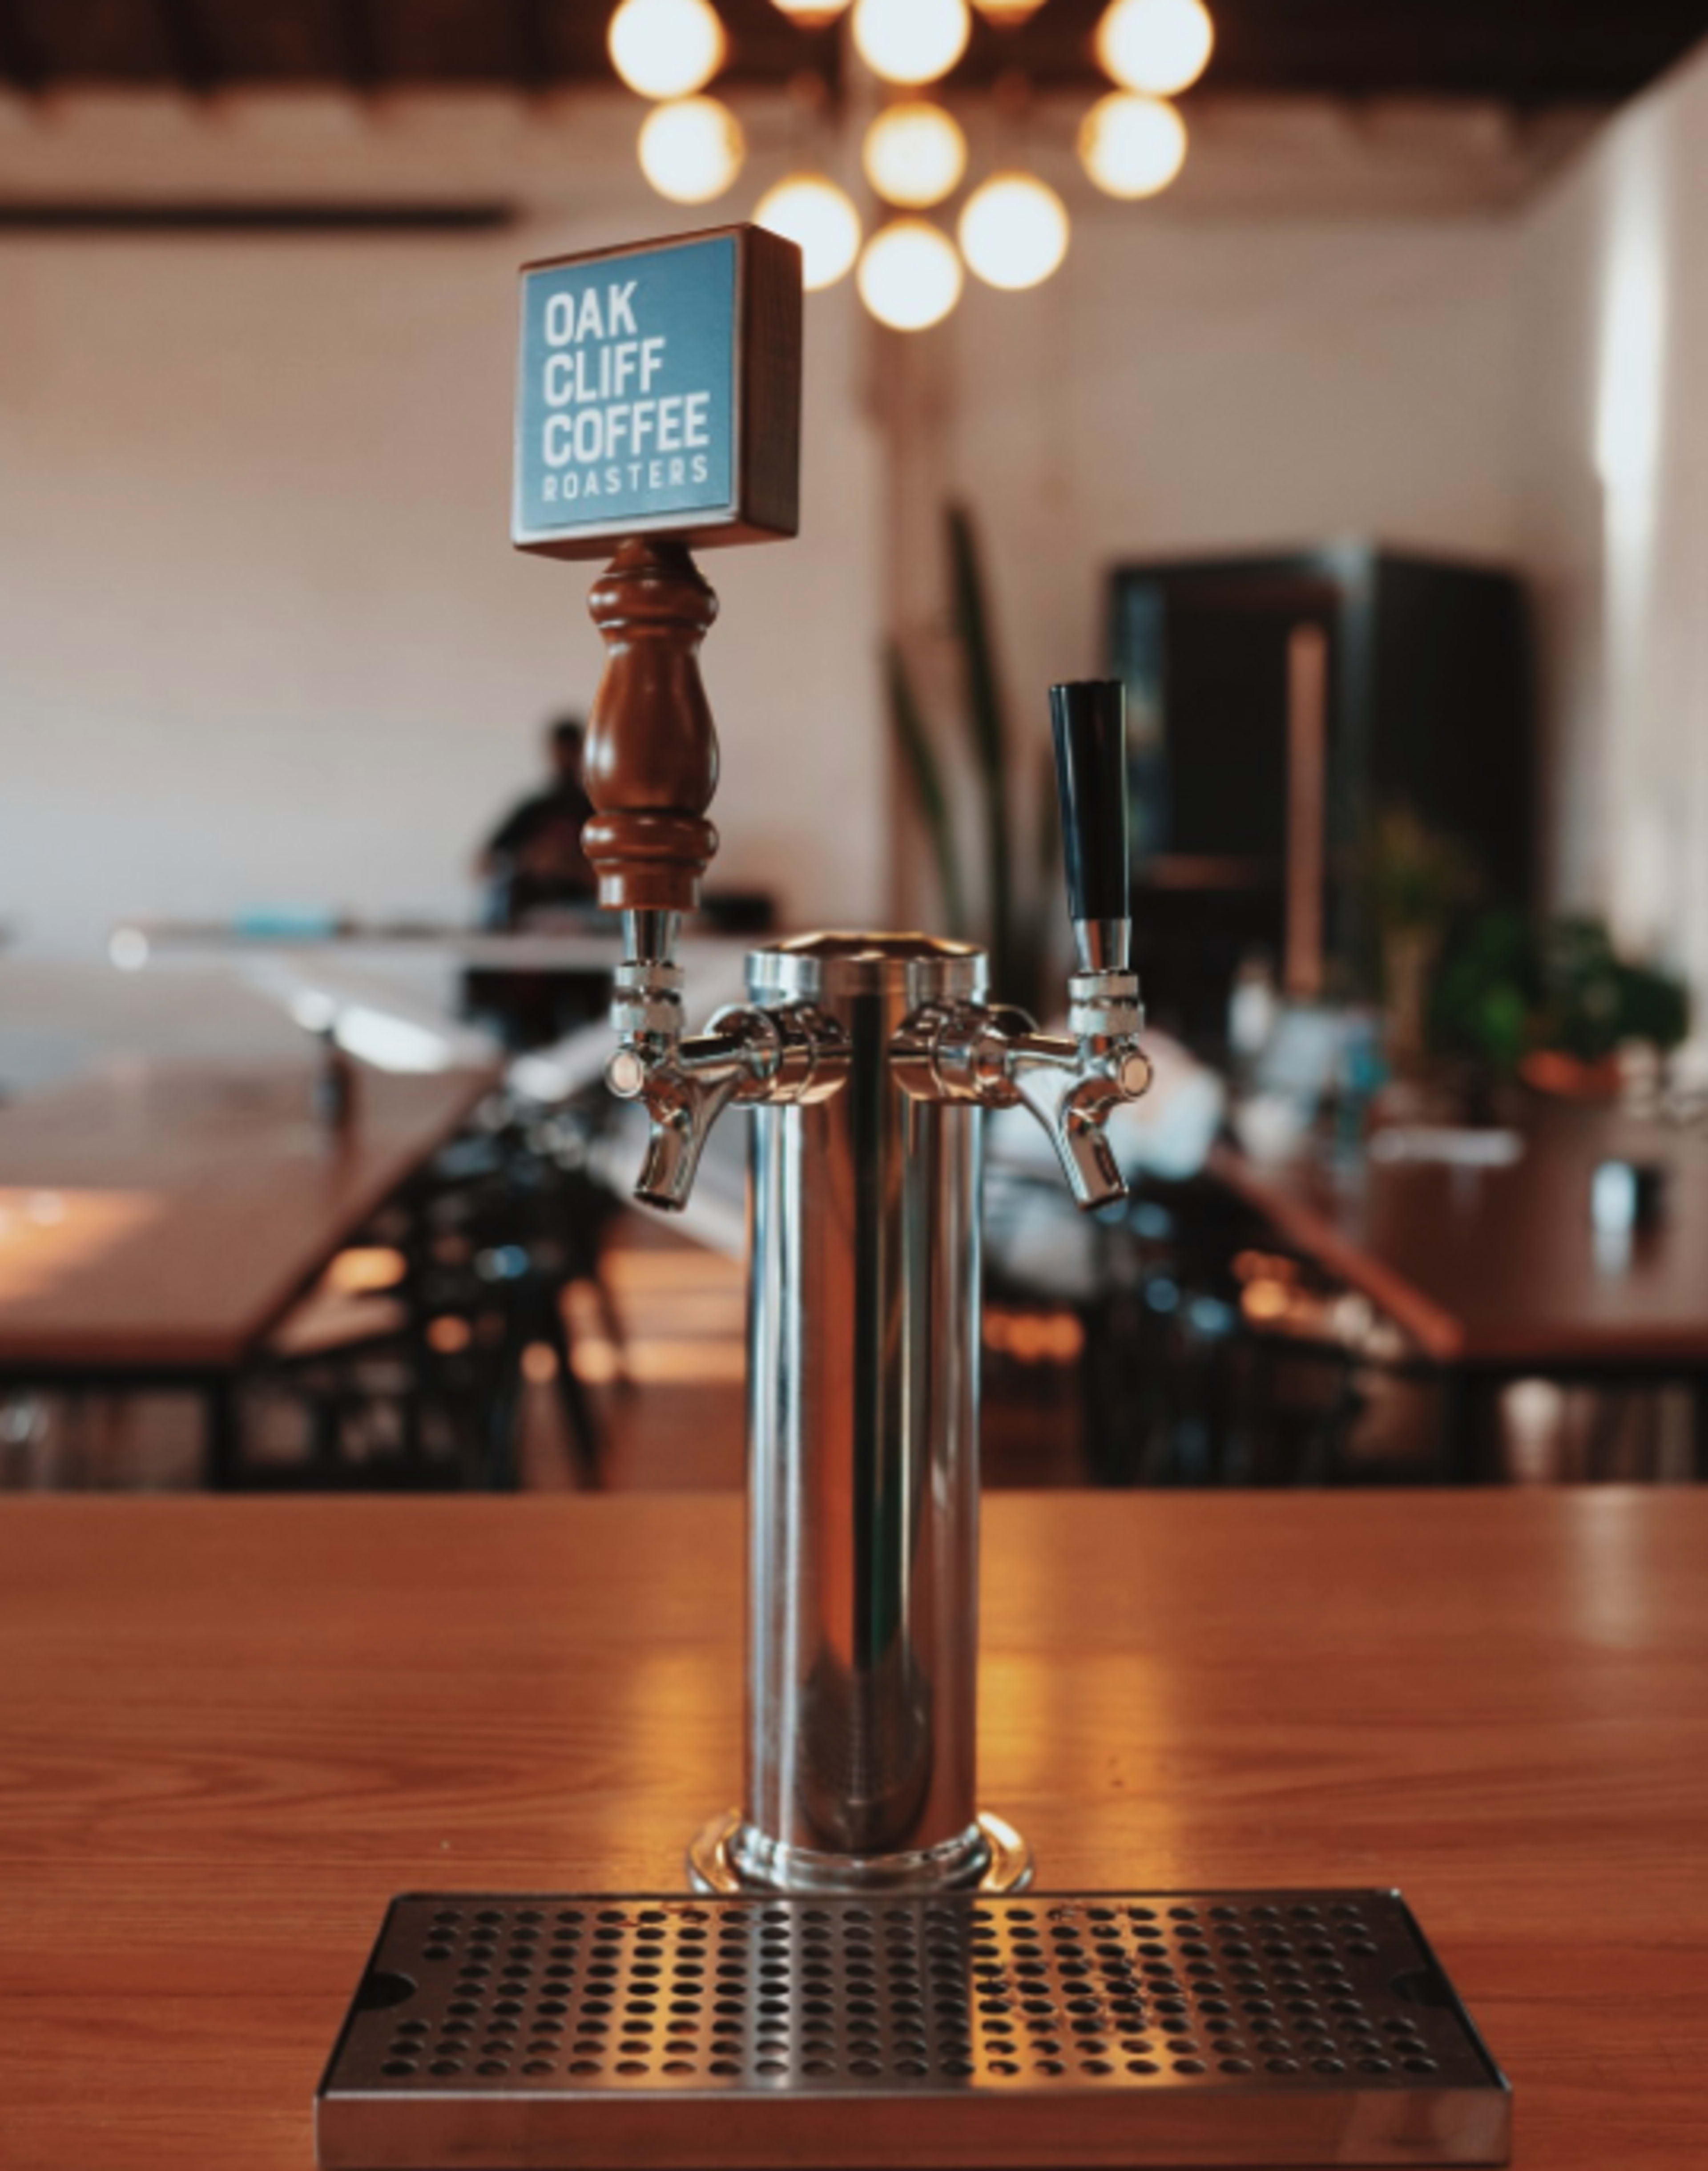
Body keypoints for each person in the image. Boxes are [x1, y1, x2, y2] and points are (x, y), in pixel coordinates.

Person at [476, 715, 597, 929]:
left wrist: (571, 868)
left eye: (570, 751)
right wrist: (528, 861)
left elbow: (616, 882)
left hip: (580, 915)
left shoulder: (593, 812)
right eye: (560, 751)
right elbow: (483, 864)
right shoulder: (532, 809)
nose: (564, 759)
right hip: (526, 915)